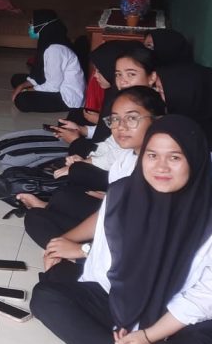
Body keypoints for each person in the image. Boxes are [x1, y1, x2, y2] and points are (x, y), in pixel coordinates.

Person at [31, 116, 212, 344]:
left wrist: (149, 335)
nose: (161, 167)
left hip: (175, 321)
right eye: (152, 155)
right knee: (46, 296)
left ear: (195, 160)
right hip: (117, 301)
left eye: (174, 157)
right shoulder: (122, 194)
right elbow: (103, 264)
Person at [21, 86, 167, 249]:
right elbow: (112, 209)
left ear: (157, 120)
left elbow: (136, 226)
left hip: (131, 245)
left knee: (61, 201)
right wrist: (61, 246)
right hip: (115, 221)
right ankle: (62, 240)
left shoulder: (160, 167)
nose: (120, 126)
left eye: (132, 118)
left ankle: (73, 256)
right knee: (47, 209)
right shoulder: (128, 156)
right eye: (115, 119)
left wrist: (80, 251)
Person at [11, 9, 85, 112]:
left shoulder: (55, 49)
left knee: (22, 100)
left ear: (43, 26)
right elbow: (41, 73)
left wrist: (26, 90)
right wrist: (23, 85)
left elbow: (53, 86)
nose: (30, 26)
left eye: (32, 23)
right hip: (55, 83)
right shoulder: (50, 41)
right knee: (16, 79)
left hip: (66, 97)